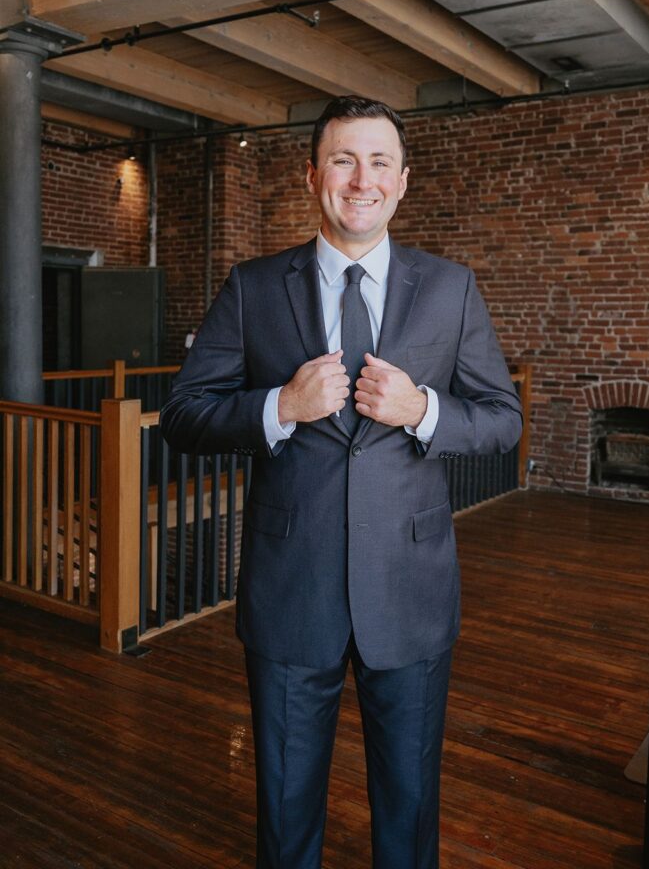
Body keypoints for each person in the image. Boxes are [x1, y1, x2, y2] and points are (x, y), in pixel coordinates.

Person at [160, 96, 523, 869]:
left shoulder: (450, 287)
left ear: (402, 181)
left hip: (412, 590)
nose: (361, 179)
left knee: (409, 802)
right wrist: (278, 407)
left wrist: (422, 409)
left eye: (378, 161)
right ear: (311, 176)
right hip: (291, 588)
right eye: (343, 160)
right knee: (286, 806)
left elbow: (501, 419)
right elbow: (185, 414)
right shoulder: (254, 287)